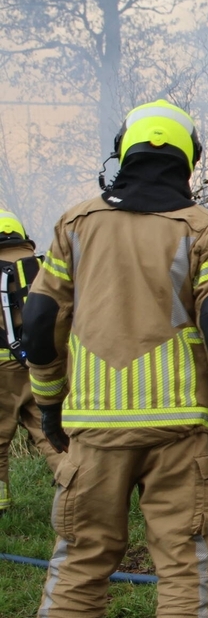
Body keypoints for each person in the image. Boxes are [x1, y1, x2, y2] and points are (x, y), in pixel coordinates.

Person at [23, 99, 208, 618]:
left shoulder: (75, 224)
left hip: (92, 431)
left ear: (123, 153)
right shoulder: (202, 228)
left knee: (79, 563)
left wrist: (49, 403)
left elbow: (42, 318)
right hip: (178, 431)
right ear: (188, 160)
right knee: (183, 567)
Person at [0, 209, 62, 515]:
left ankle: (1, 505)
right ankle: (76, 492)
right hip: (39, 365)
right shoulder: (39, 267)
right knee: (49, 432)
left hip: (1, 372)